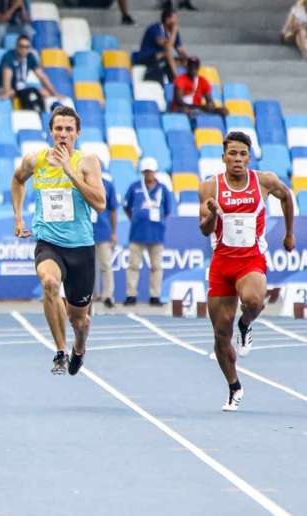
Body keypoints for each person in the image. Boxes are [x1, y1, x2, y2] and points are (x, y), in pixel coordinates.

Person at [198, 132, 295, 411]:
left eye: (242, 154)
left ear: (249, 157)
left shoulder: (263, 181)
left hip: (250, 259)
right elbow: (203, 228)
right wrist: (214, 214)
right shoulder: (210, 188)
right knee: (220, 335)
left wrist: (289, 234)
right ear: (224, 157)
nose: (238, 159)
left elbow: (286, 196)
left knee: (254, 300)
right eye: (233, 154)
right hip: (221, 264)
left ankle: (246, 324)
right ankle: (234, 385)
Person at [11, 106, 106, 376]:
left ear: (77, 133)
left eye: (68, 129)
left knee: (80, 320)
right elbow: (18, 181)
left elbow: (100, 204)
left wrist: (70, 172)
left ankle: (79, 347)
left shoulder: (87, 162)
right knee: (50, 283)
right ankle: (61, 351)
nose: (63, 134)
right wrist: (18, 218)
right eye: (58, 129)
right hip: (48, 243)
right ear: (51, 131)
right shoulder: (35, 160)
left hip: (81, 248)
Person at [123, 157, 173, 306]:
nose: (148, 175)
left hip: (156, 233)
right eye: (146, 172)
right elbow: (126, 206)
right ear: (142, 172)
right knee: (133, 265)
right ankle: (131, 295)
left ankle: (155, 296)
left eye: (151, 172)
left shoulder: (163, 189)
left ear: (155, 172)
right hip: (137, 232)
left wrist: (160, 222)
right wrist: (136, 219)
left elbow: (168, 211)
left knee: (156, 266)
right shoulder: (134, 187)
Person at [0, 35, 65, 112]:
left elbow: (42, 76)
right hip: (1, 88)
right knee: (18, 93)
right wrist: (7, 91)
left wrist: (54, 93)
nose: (24, 49)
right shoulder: (9, 56)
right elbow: (7, 75)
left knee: (43, 92)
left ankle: (41, 114)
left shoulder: (29, 57)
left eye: (27, 47)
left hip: (19, 88)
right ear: (17, 46)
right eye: (21, 46)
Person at [134, 7, 188, 84]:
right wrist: (174, 33)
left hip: (163, 58)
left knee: (187, 60)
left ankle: (190, 83)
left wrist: (185, 59)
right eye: (174, 18)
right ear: (167, 19)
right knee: (168, 51)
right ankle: (176, 77)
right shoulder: (155, 28)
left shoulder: (173, 32)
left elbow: (180, 50)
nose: (176, 21)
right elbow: (167, 46)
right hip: (147, 57)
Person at [93, 174, 118, 308]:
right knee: (86, 267)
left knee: (106, 265)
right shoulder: (80, 182)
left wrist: (114, 232)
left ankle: (107, 295)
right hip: (85, 232)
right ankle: (90, 295)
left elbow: (113, 210)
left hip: (103, 231)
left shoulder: (107, 185)